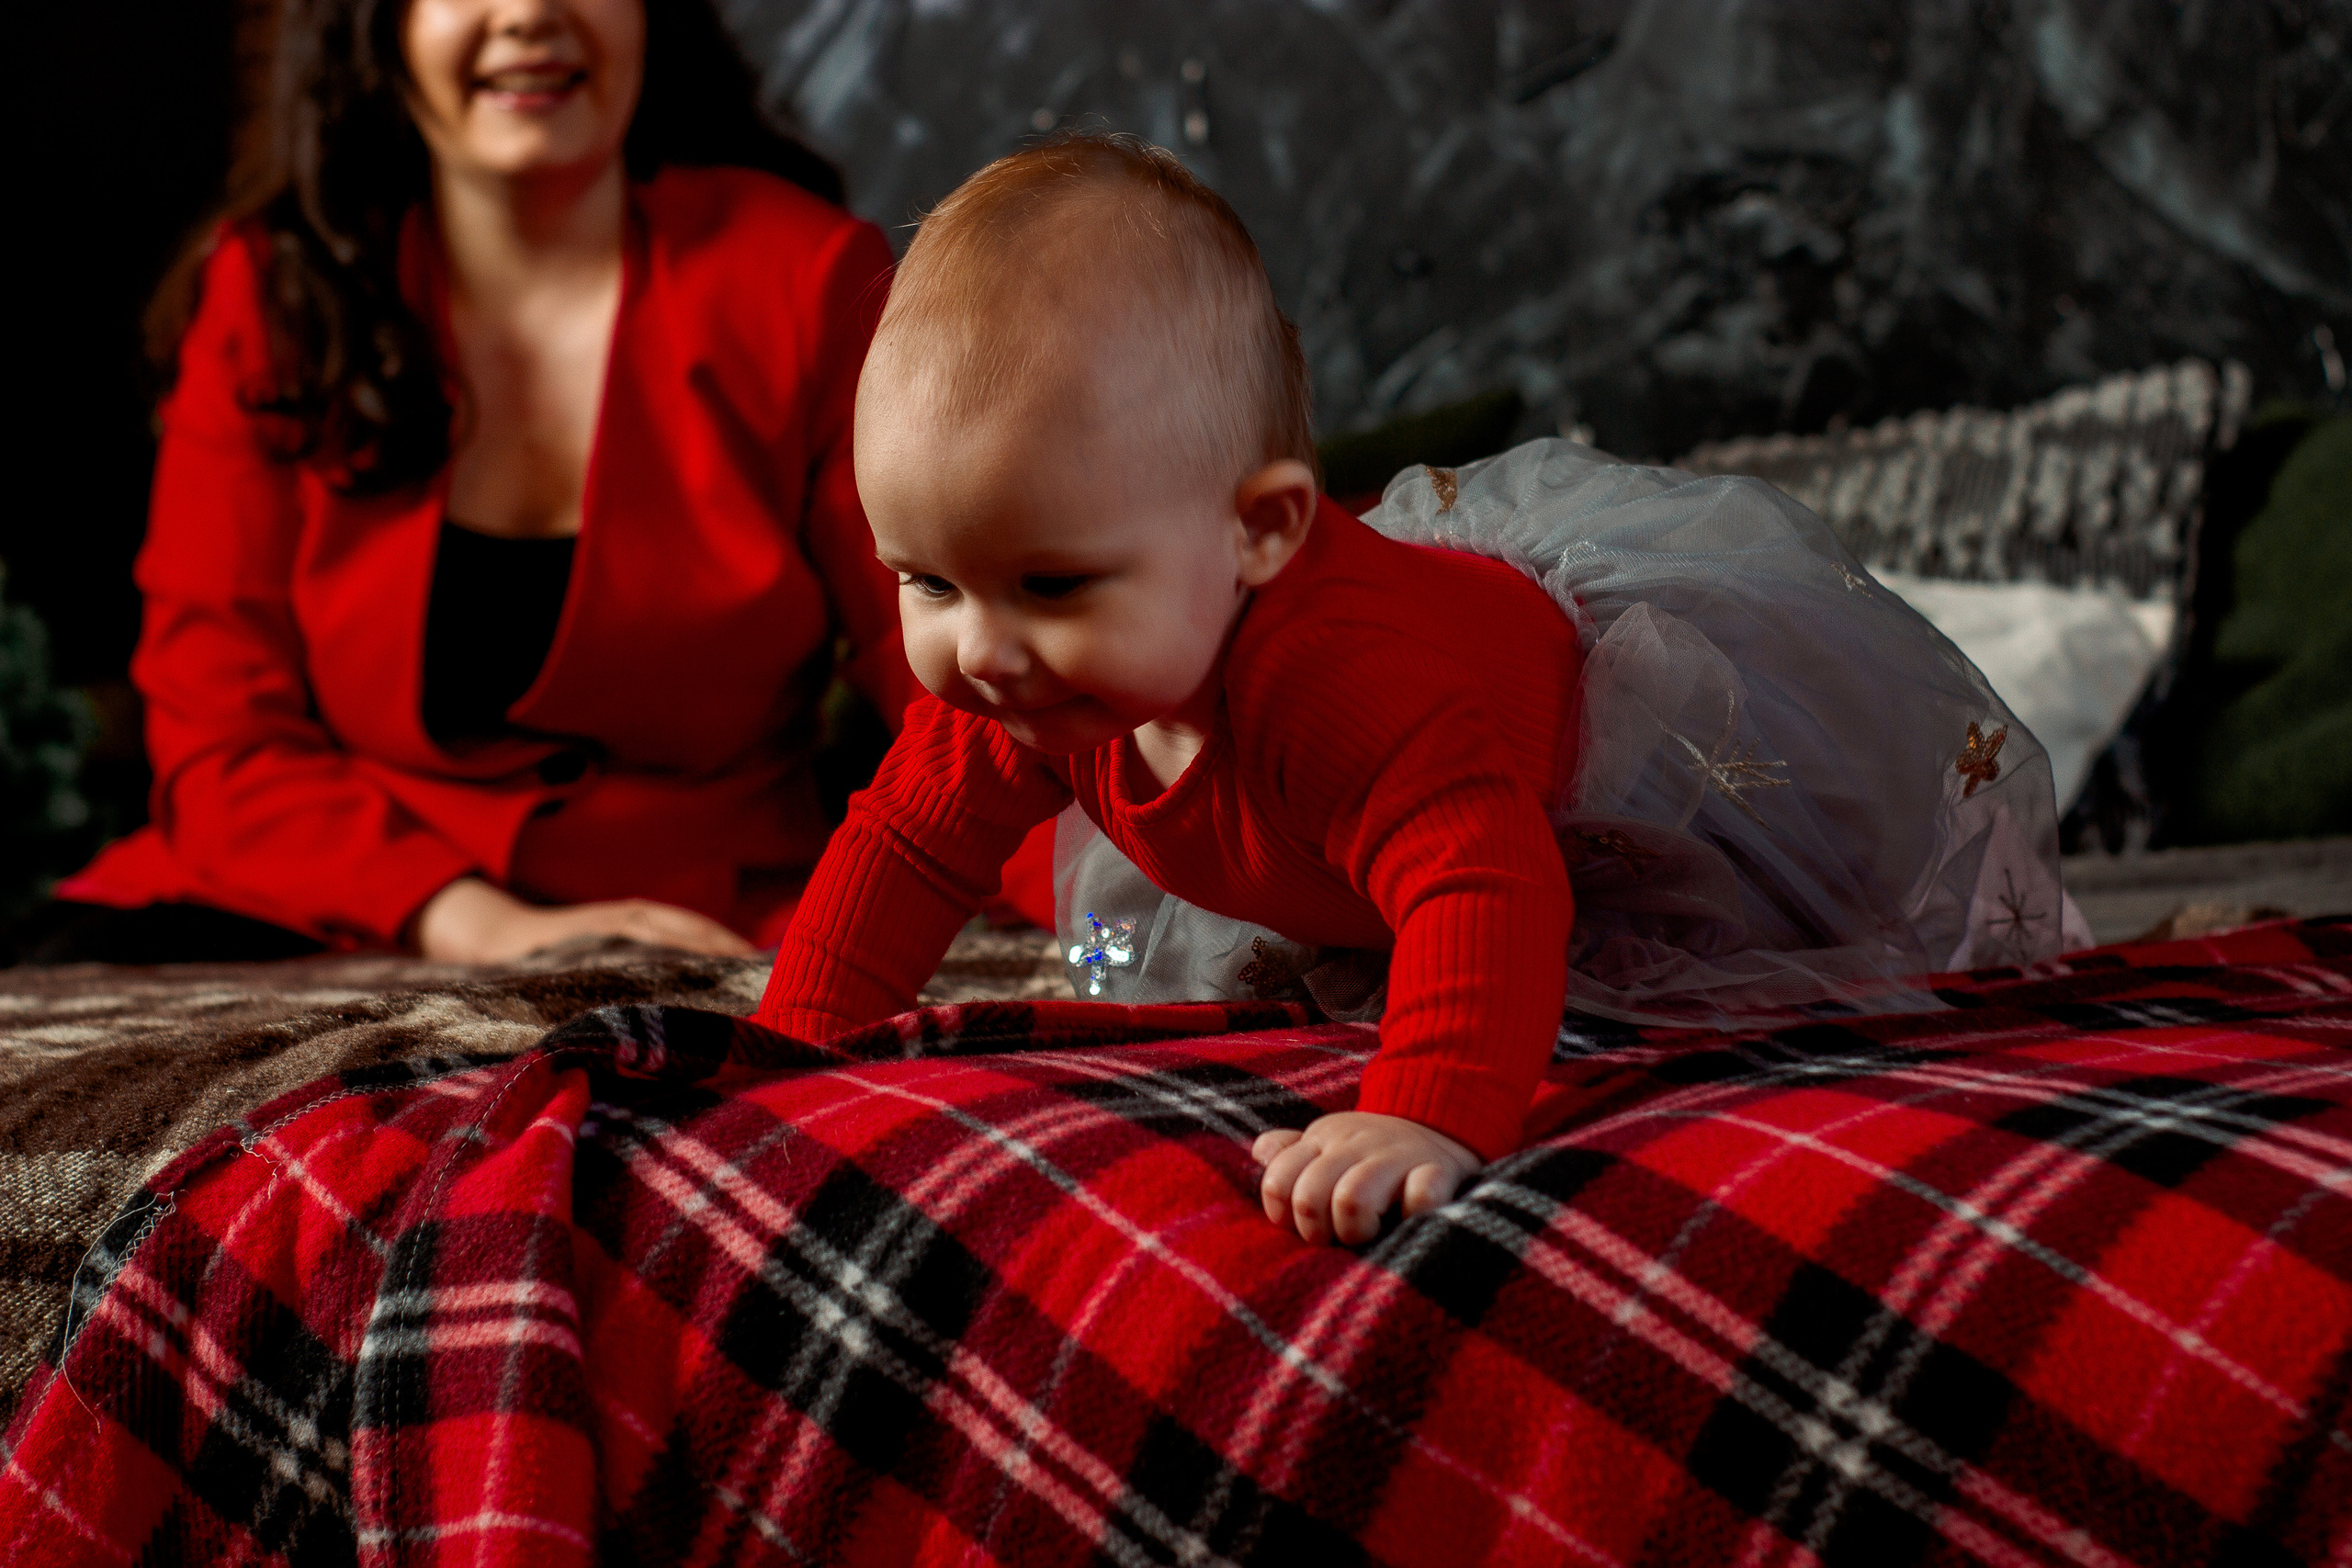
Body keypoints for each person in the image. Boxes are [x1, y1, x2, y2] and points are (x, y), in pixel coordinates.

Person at [754, 132, 2067, 1247]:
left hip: (1609, 781)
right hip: (1369, 819)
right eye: (926, 581)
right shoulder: (1025, 679)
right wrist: (786, 1061)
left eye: (1050, 583)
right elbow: (903, 844)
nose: (980, 647)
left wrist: (1427, 1102)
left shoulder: (1334, 682)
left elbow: (1484, 879)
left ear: (1258, 534)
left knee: (1752, 926)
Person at [40, 0, 925, 964]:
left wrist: (1095, 873)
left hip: (707, 925)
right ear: (378, 29)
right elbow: (221, 739)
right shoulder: (272, 294)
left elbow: (946, 662)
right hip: (310, 909)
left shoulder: (804, 274)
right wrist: (481, 926)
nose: (530, 14)